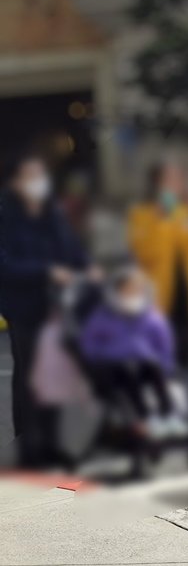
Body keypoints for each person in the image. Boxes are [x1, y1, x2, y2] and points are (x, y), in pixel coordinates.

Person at [0, 154, 86, 466]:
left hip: (54, 304)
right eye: (30, 176)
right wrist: (47, 270)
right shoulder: (6, 213)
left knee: (53, 373)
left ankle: (50, 443)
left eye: (40, 175)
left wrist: (86, 270)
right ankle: (29, 446)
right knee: (31, 375)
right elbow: (5, 264)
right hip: (21, 305)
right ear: (15, 182)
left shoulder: (51, 212)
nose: (38, 182)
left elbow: (71, 248)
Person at [129, 160, 188, 414]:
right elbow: (144, 253)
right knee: (159, 361)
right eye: (169, 180)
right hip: (158, 302)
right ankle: (159, 411)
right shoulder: (142, 215)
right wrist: (162, 218)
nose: (175, 186)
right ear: (156, 185)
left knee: (187, 359)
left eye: (179, 180)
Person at [79, 266, 183, 437]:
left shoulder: (151, 316)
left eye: (137, 289)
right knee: (127, 372)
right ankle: (145, 418)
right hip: (113, 368)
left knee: (153, 368)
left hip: (144, 364)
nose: (133, 293)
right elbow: (89, 344)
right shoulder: (102, 316)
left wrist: (166, 367)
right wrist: (104, 356)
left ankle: (168, 414)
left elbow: (165, 345)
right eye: (128, 288)